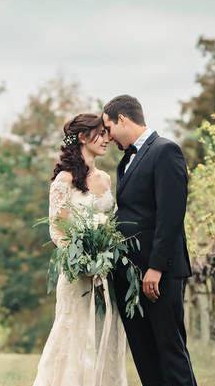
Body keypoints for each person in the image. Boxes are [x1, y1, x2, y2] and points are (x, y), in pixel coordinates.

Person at [102, 94, 197, 386]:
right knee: (144, 354)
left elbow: (170, 215)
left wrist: (156, 267)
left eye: (108, 128)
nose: (107, 136)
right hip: (130, 275)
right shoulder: (126, 161)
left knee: (170, 350)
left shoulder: (166, 151)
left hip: (160, 273)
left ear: (123, 119)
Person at [32, 113, 128, 386]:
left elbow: (112, 226)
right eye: (100, 133)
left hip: (106, 276)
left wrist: (106, 259)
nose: (107, 139)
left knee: (103, 336)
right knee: (73, 339)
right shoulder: (63, 181)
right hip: (76, 276)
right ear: (83, 137)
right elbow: (57, 231)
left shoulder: (107, 179)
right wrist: (83, 261)